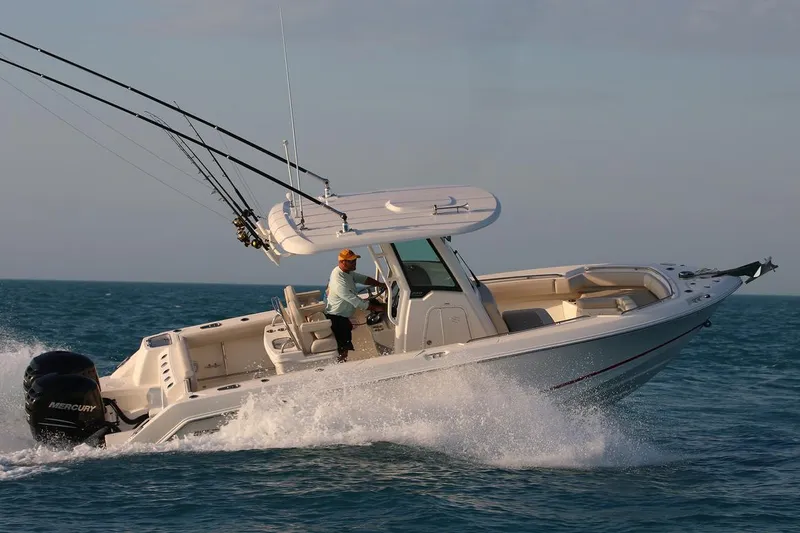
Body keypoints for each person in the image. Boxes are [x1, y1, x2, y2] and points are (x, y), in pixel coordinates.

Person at [324, 248, 386, 363]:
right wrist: (378, 308)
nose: (354, 263)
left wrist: (382, 284)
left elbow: (363, 279)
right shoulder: (339, 281)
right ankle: (340, 367)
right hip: (337, 318)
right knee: (343, 349)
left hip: (342, 316)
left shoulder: (346, 272)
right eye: (351, 261)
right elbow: (356, 301)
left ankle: (341, 364)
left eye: (354, 260)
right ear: (342, 262)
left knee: (344, 346)